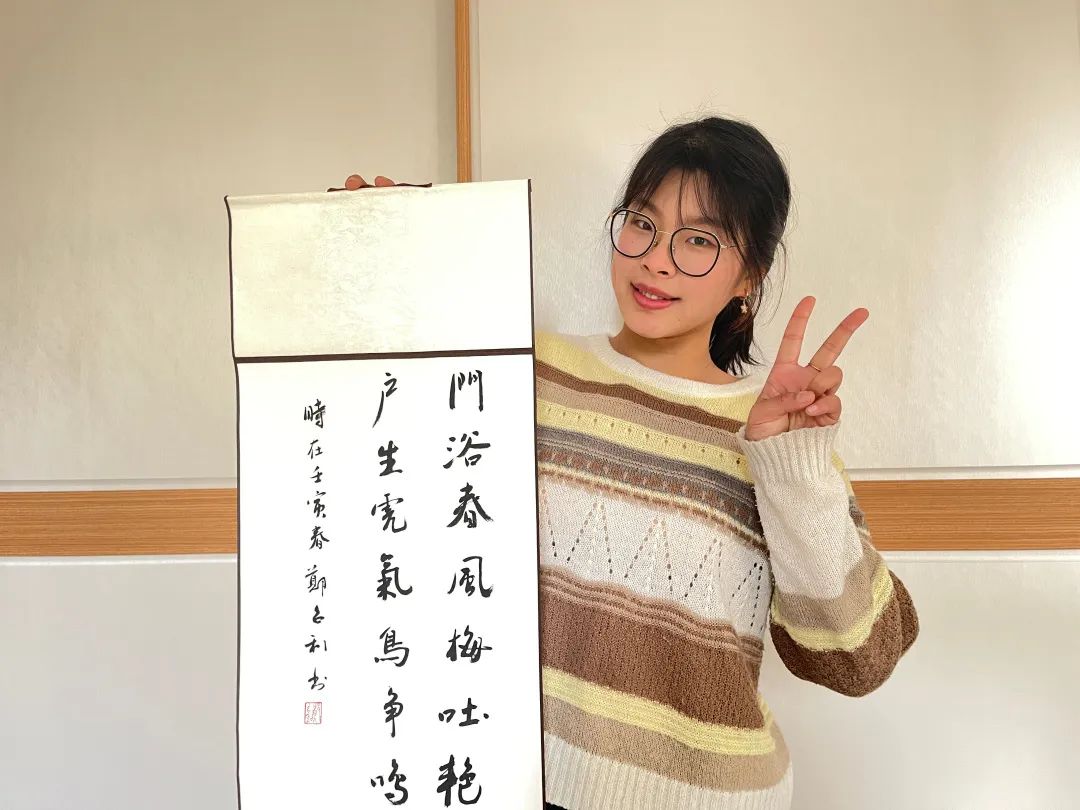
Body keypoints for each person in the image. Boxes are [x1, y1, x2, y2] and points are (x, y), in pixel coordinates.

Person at [340, 114, 919, 810]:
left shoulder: (772, 431)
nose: (657, 260)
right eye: (642, 223)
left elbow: (857, 660)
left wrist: (791, 464)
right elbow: (388, 468)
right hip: (505, 782)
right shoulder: (531, 372)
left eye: (698, 239)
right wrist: (378, 267)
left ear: (750, 277)